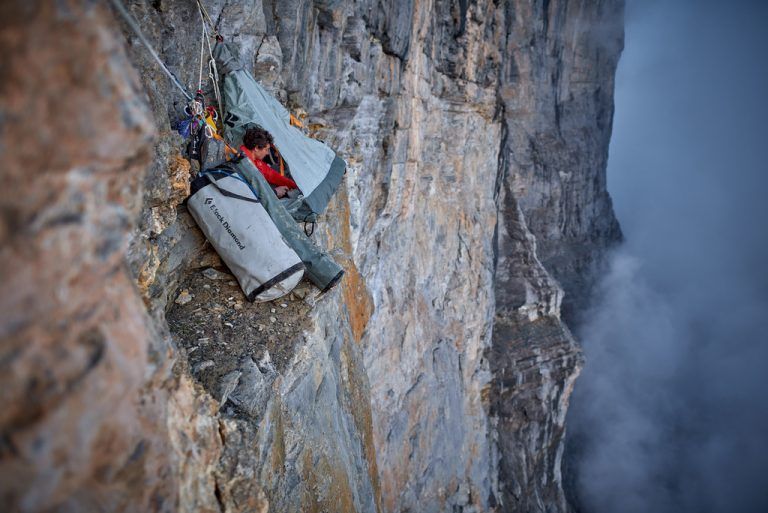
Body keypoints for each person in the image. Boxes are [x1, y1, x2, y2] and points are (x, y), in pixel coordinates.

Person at [240, 127, 298, 198]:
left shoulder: (254, 159)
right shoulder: (244, 163)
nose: (267, 153)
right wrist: (275, 192)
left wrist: (295, 185)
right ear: (256, 148)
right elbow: (249, 192)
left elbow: (271, 174)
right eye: (266, 149)